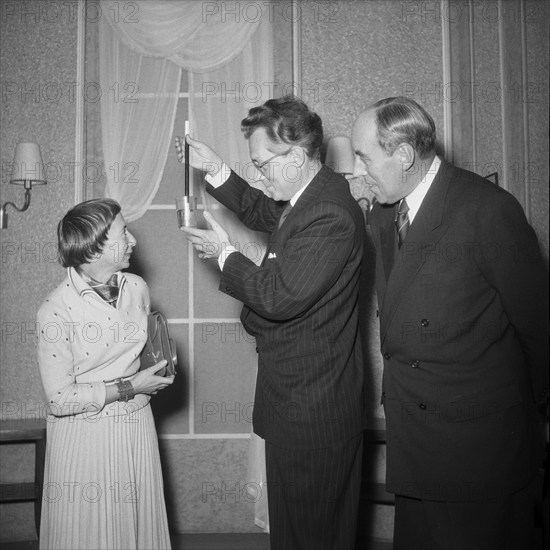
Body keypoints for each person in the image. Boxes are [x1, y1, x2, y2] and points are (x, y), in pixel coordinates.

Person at [351, 96, 549, 550]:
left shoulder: (488, 209)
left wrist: (517, 418)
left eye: (364, 157)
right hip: (418, 443)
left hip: (481, 449)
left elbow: (539, 328)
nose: (359, 170)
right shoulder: (386, 216)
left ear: (403, 156)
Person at [176, 96, 366, 550]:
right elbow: (266, 211)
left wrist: (224, 254)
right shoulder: (310, 196)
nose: (258, 173)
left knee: (309, 536)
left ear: (297, 157)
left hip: (312, 413)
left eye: (262, 163)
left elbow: (277, 298)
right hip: (298, 406)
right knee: (296, 532)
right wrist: (218, 169)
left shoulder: (329, 215)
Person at [37, 198, 174, 550]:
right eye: (124, 232)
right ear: (94, 247)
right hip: (86, 438)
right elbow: (58, 398)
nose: (134, 241)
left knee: (137, 531)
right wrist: (130, 386)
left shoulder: (137, 288)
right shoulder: (55, 310)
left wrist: (160, 364)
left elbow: (135, 351)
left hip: (137, 427)